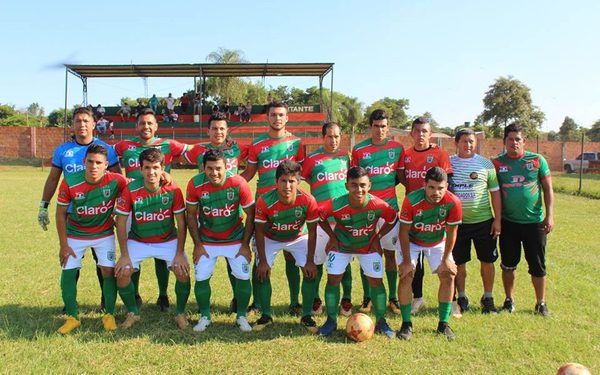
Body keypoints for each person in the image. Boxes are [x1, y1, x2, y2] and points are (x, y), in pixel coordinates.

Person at [38, 106, 121, 312]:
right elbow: (53, 179)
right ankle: (70, 305)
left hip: (100, 217)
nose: (82, 125)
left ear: (94, 124)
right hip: (72, 215)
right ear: (72, 125)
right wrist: (43, 205)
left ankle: (106, 303)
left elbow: (119, 180)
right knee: (71, 259)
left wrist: (118, 208)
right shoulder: (63, 151)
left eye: (86, 121)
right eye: (78, 121)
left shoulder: (106, 150)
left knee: (103, 264)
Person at [113, 108, 189, 311]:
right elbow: (104, 157)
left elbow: (195, 151)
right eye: (142, 123)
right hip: (132, 204)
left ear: (156, 126)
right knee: (131, 248)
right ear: (136, 126)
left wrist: (226, 146)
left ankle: (163, 296)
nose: (146, 126)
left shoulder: (168, 144)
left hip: (161, 201)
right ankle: (135, 294)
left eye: (150, 123)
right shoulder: (124, 145)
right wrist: (120, 179)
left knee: (161, 252)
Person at [317, 166, 398, 338]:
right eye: (354, 185)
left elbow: (392, 218)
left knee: (376, 282)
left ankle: (382, 321)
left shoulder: (378, 204)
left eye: (362, 185)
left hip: (367, 247)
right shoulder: (336, 203)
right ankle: (331, 321)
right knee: (333, 280)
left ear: (369, 185)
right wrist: (332, 237)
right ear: (347, 186)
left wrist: (378, 236)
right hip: (341, 246)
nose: (359, 189)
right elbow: (320, 216)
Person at [55, 144, 128, 334]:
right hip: (75, 234)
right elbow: (60, 213)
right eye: (90, 162)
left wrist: (165, 176)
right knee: (68, 272)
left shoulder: (117, 181)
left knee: (107, 271)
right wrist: (63, 245)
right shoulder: (70, 181)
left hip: (103, 235)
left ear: (106, 165)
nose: (93, 166)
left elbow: (136, 185)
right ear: (83, 162)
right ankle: (72, 317)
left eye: (98, 163)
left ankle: (109, 314)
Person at [241, 101, 305, 316]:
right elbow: (248, 174)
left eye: (281, 115)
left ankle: (295, 301)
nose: (277, 118)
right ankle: (257, 303)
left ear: (287, 118)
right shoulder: (257, 144)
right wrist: (227, 186)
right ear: (267, 117)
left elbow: (304, 174)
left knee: (291, 255)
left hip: (290, 206)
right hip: (264, 207)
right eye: (273, 115)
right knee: (260, 254)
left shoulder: (297, 143)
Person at [186, 149, 255, 332]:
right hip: (207, 241)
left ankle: (241, 316)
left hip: (235, 239)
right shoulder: (195, 184)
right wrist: (198, 245)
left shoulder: (238, 183)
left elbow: (251, 215)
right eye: (209, 168)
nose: (214, 173)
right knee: (201, 277)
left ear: (226, 167)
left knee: (243, 275)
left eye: (218, 168)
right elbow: (191, 216)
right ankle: (205, 316)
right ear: (203, 168)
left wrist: (245, 245)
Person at [492, 123, 554, 316]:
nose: (514, 143)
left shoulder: (537, 160)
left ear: (524, 141)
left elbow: (548, 189)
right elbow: (493, 192)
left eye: (518, 139)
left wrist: (550, 215)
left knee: (537, 265)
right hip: (508, 223)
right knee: (508, 264)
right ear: (504, 142)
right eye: (510, 139)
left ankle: (541, 303)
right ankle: (509, 300)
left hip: (535, 223)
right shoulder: (497, 164)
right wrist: (498, 220)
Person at [397, 167, 462, 341]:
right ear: (424, 185)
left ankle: (443, 324)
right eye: (432, 187)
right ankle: (406, 323)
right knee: (406, 275)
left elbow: (452, 231)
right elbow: (403, 232)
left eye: (441, 188)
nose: (436, 192)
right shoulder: (411, 200)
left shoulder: (453, 202)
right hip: (412, 241)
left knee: (448, 275)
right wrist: (405, 261)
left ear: (447, 186)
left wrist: (447, 258)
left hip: (437, 241)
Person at [252, 160, 319, 333]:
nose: (287, 185)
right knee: (262, 272)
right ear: (276, 182)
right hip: (270, 237)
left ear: (298, 181)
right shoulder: (265, 201)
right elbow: (258, 232)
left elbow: (312, 233)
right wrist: (263, 261)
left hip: (298, 236)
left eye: (292, 181)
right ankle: (266, 315)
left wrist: (310, 261)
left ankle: (306, 316)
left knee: (310, 272)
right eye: (283, 180)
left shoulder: (308, 200)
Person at [351, 109, 405, 316]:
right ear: (370, 127)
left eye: (383, 126)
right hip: (366, 212)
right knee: (367, 253)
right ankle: (367, 297)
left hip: (389, 212)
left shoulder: (397, 148)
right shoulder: (359, 150)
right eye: (376, 126)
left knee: (391, 255)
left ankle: (392, 297)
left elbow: (401, 177)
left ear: (388, 127)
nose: (380, 130)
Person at [301, 122, 354, 316]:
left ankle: (346, 299)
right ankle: (316, 299)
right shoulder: (312, 159)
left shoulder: (345, 158)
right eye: (330, 137)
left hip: (343, 218)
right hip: (320, 218)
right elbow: (305, 178)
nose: (334, 140)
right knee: (317, 262)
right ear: (323, 137)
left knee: (345, 262)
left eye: (337, 137)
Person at [402, 116, 452, 315]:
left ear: (430, 134)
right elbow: (402, 178)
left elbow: (449, 183)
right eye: (417, 130)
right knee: (416, 260)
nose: (421, 134)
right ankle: (418, 298)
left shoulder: (439, 154)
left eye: (425, 131)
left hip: (435, 213)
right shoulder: (405, 155)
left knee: (444, 261)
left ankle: (453, 301)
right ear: (411, 133)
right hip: (413, 211)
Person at [448, 128, 502, 316]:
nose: (468, 145)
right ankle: (461, 296)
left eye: (471, 141)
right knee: (459, 262)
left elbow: (495, 193)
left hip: (483, 222)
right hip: (457, 224)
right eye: (464, 141)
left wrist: (497, 219)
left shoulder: (486, 165)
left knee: (487, 261)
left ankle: (488, 297)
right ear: (457, 143)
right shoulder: (448, 164)